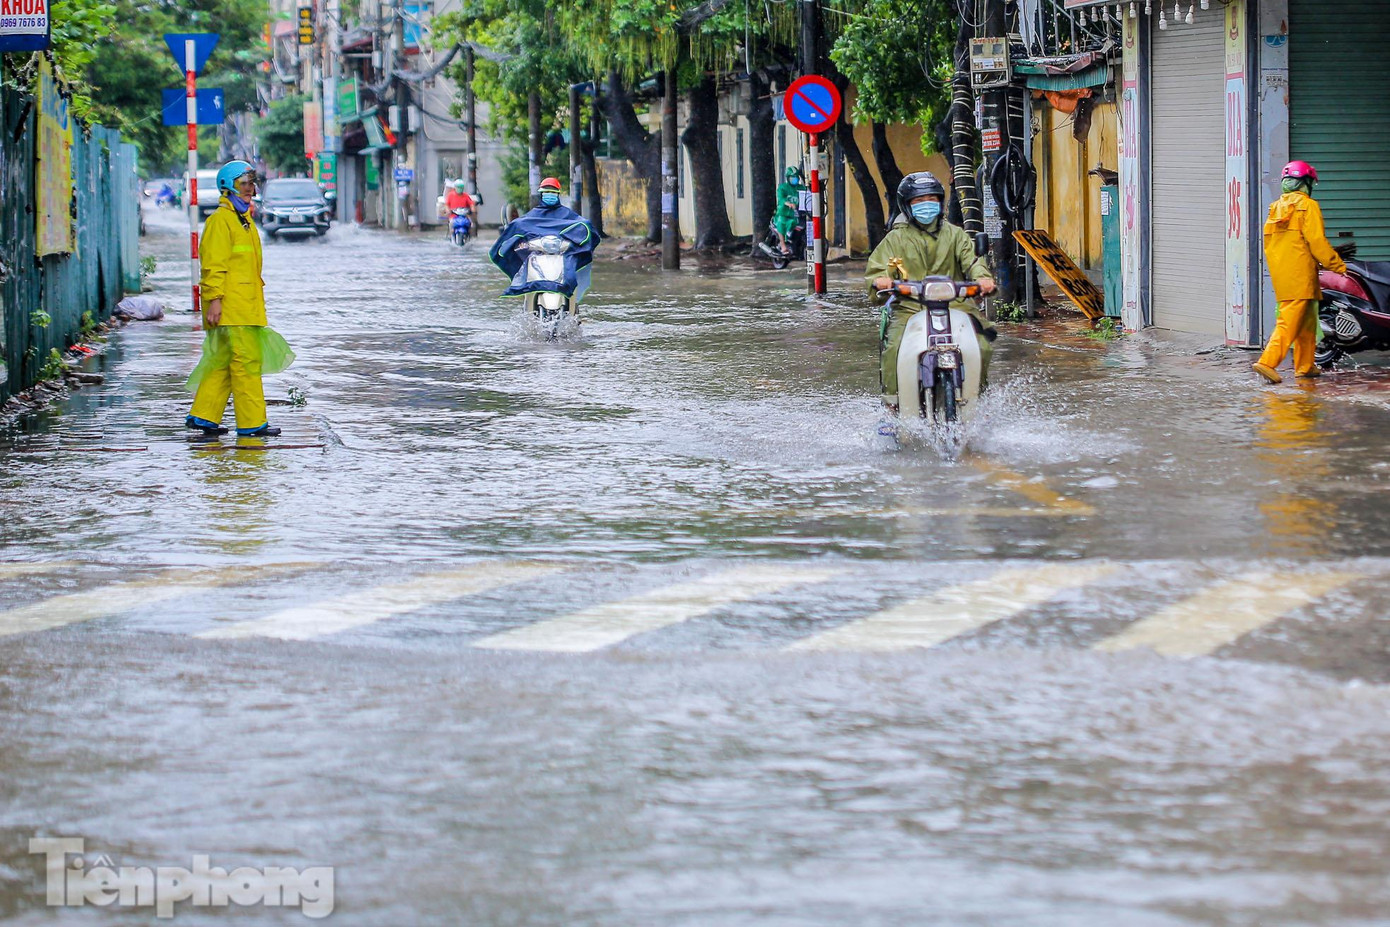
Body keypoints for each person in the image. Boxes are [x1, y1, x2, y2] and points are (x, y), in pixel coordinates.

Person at [866, 171, 996, 420]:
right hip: (910, 307)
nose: (926, 204)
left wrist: (983, 278)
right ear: (906, 205)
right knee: (894, 347)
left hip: (956, 304)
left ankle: (978, 399)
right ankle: (892, 406)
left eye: (931, 199)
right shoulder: (895, 238)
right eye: (918, 200)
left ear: (941, 202)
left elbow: (972, 262)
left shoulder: (956, 235)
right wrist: (881, 279)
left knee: (981, 344)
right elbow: (879, 269)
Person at [185, 160, 294, 437]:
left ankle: (204, 416)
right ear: (228, 187)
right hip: (232, 308)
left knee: (222, 361)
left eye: (251, 184)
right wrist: (215, 300)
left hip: (242, 305)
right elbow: (212, 265)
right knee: (246, 364)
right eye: (244, 184)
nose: (250, 189)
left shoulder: (241, 219)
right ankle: (252, 423)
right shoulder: (221, 221)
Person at [1252, 160, 1347, 384]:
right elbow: (1317, 242)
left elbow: (1273, 245)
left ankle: (1305, 365)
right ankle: (1267, 362)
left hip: (1283, 273)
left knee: (1306, 321)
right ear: (1306, 182)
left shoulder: (1275, 208)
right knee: (1288, 321)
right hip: (1300, 273)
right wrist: (1337, 265)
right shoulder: (1307, 205)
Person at [489, 177, 599, 303]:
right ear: (542, 194)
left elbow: (583, 225)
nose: (549, 194)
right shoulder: (531, 216)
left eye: (552, 192)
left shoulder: (568, 215)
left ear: (558, 194)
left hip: (562, 254)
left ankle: (571, 305)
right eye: (547, 192)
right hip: (538, 253)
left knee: (570, 271)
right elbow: (519, 225)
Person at [773, 166, 807, 255]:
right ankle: (783, 245)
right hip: (783, 213)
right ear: (788, 178)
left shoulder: (801, 188)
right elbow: (781, 198)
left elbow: (807, 196)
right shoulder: (783, 188)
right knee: (781, 223)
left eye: (796, 177)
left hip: (797, 214)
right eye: (792, 177)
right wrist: (788, 203)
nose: (794, 179)